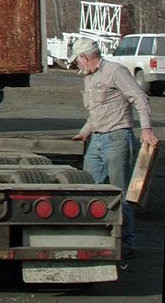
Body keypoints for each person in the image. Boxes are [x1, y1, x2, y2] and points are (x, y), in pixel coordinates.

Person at [69, 37, 158, 259]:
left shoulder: (115, 71)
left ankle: (125, 244)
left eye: (77, 61)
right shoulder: (89, 79)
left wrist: (146, 129)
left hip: (117, 138)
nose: (76, 65)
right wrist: (85, 132)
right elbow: (96, 112)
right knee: (90, 187)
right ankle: (96, 237)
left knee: (120, 193)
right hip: (97, 140)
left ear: (85, 57)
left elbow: (139, 97)